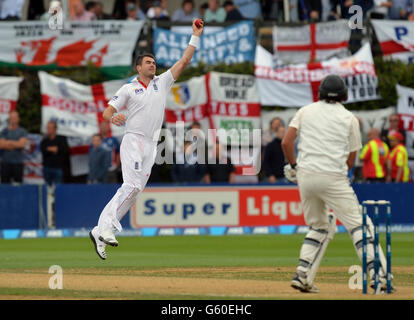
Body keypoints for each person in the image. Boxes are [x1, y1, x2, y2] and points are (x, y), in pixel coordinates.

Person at [89, 20, 205, 260]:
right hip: (133, 140)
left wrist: (195, 35)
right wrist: (114, 118)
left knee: (135, 192)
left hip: (152, 145)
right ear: (138, 67)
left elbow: (184, 61)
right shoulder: (129, 89)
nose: (153, 65)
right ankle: (107, 228)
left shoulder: (161, 83)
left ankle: (99, 231)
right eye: (148, 63)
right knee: (130, 186)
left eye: (154, 62)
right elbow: (107, 112)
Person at [281, 74, 394, 293]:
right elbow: (352, 157)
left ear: (320, 93)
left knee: (319, 226)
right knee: (359, 225)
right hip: (333, 176)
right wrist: (343, 172)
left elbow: (287, 142)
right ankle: (378, 276)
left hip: (306, 175)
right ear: (344, 95)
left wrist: (294, 166)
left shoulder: (305, 110)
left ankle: (302, 274)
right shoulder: (349, 118)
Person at [0, 110, 28, 184]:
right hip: (6, 163)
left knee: (18, 186)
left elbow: (22, 145)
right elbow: (1, 145)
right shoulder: (4, 131)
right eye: (11, 118)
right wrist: (16, 144)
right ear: (9, 119)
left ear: (18, 119)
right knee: (5, 186)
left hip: (17, 163)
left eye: (15, 118)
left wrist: (8, 142)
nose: (13, 120)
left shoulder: (22, 131)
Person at [40, 121, 70, 186]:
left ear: (55, 129)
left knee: (58, 187)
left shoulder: (61, 139)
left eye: (50, 128)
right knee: (47, 188)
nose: (48, 129)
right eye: (47, 128)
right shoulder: (45, 140)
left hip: (58, 168)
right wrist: (53, 149)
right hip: (47, 168)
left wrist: (55, 149)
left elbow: (65, 150)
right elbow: (43, 150)